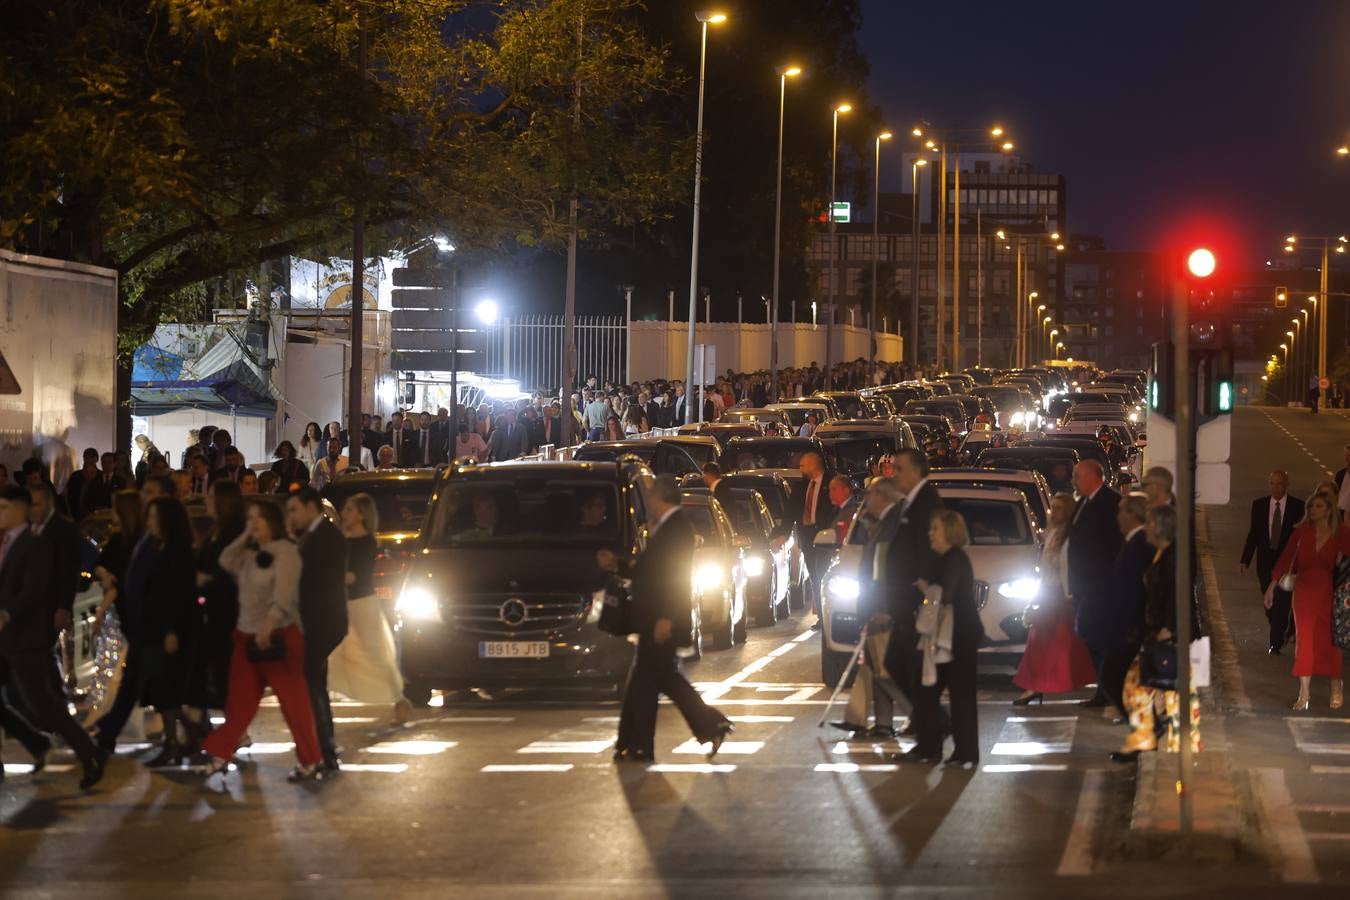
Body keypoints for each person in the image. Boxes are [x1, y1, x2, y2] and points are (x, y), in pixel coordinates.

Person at [600, 474, 733, 763]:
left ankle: (637, 745)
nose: (648, 503)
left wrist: (666, 617)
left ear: (660, 498)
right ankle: (635, 743)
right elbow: (649, 570)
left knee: (646, 684)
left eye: (650, 498)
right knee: (658, 681)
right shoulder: (668, 527)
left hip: (661, 619)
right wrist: (619, 566)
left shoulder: (676, 529)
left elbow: (674, 579)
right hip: (655, 617)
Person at [200, 498, 324, 782]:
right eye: (249, 518)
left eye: (259, 518)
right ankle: (220, 753)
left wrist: (268, 626)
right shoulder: (248, 552)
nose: (253, 522)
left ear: (273, 522)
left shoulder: (286, 551)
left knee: (294, 704)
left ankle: (311, 760)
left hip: (278, 636)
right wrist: (246, 536)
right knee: (239, 702)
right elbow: (224, 560)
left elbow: (284, 594)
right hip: (246, 636)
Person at [0, 485, 104, 789]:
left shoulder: (35, 544)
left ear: (20, 510)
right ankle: (37, 743)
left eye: (4, 508)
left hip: (26, 637)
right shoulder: (8, 542)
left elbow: (34, 589)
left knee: (44, 705)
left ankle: (89, 754)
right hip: (8, 638)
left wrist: (7, 614)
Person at [1115, 504, 1202, 760]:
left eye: (1151, 523)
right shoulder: (1161, 552)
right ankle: (1151, 741)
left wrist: (1169, 628)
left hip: (1172, 633)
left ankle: (1179, 749)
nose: (1146, 528)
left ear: (1162, 527)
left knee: (1174, 693)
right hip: (1158, 630)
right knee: (1144, 687)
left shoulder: (1175, 555)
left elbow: (1179, 593)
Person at [831, 477, 910, 740]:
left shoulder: (893, 524)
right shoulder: (882, 523)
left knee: (885, 672)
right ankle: (880, 723)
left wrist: (882, 607)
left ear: (884, 497)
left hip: (881, 609)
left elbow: (887, 573)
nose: (867, 500)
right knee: (874, 669)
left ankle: (926, 718)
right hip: (874, 606)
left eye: (872, 495)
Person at [326, 494, 410, 722]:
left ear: (362, 514)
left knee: (375, 654)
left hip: (362, 604)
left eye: (350, 509)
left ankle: (398, 698)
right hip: (343, 602)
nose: (345, 513)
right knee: (337, 652)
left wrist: (330, 575)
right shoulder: (341, 538)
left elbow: (357, 575)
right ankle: (322, 700)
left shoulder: (367, 542)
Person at [881, 448, 945, 749]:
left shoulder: (927, 502)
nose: (894, 474)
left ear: (917, 471)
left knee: (908, 666)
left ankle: (930, 733)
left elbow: (929, 549)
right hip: (904, 601)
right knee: (900, 664)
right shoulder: (910, 501)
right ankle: (932, 724)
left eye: (900, 468)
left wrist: (923, 589)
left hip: (915, 600)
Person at [908, 509, 982, 768]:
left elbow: (946, 597)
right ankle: (949, 748)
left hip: (956, 635)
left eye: (935, 529)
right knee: (934, 689)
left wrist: (926, 589)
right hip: (953, 634)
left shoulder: (954, 558)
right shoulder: (950, 558)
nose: (931, 533)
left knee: (949, 691)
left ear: (949, 531)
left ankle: (953, 750)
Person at [1012, 492, 1098, 704]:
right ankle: (1035, 686)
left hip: (1061, 595)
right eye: (1054, 507)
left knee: (1063, 642)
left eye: (1060, 507)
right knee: (1040, 640)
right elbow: (1045, 568)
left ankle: (1042, 685)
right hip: (1049, 594)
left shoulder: (1070, 537)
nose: (1055, 511)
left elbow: (1068, 569)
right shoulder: (1052, 534)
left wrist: (1069, 596)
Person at [133, 497, 200, 767]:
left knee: (165, 687)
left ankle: (177, 740)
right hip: (154, 626)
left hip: (169, 629)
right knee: (161, 687)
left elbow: (178, 594)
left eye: (153, 517)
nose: (149, 523)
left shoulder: (178, 550)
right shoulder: (159, 547)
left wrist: (172, 630)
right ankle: (190, 736)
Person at [286, 488, 348, 773]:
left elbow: (315, 583)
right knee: (314, 688)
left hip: (319, 623)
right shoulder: (313, 534)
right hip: (319, 621)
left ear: (311, 507)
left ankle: (324, 751)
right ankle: (324, 750)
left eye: (295, 509)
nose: (292, 516)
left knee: (313, 690)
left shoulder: (324, 535)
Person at [1078, 492, 1154, 717]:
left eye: (1121, 511)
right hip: (1126, 626)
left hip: (1129, 627)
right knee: (1115, 677)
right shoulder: (1131, 541)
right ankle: (1141, 727)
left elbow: (1134, 588)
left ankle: (1143, 725)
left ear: (1133, 514)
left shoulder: (1140, 543)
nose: (1117, 516)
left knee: (1113, 676)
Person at [1270, 491, 1348, 710]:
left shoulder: (1339, 532)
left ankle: (1335, 686)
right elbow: (1285, 560)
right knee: (1304, 641)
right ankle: (1304, 694)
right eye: (1311, 507)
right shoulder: (1302, 532)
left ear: (1329, 510)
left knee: (1330, 642)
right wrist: (1272, 587)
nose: (1313, 511)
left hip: (1329, 595)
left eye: (1319, 507)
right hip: (1303, 592)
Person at [1067, 459, 1124, 708]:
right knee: (1092, 640)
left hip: (1099, 588)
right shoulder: (1084, 503)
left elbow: (1114, 546)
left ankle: (1109, 690)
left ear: (1092, 477)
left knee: (1101, 641)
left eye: (1077, 476)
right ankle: (1105, 689)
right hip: (1084, 587)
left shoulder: (1111, 503)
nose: (1074, 482)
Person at [1241, 469, 1304, 655]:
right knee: (1269, 602)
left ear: (1287, 485)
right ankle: (1279, 627)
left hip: (1287, 563)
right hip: (1265, 562)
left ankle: (1275, 642)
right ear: (1269, 485)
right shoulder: (1259, 505)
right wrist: (1245, 560)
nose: (1276, 488)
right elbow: (1253, 534)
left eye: (1280, 484)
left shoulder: (1297, 506)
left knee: (1282, 601)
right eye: (1273, 484)